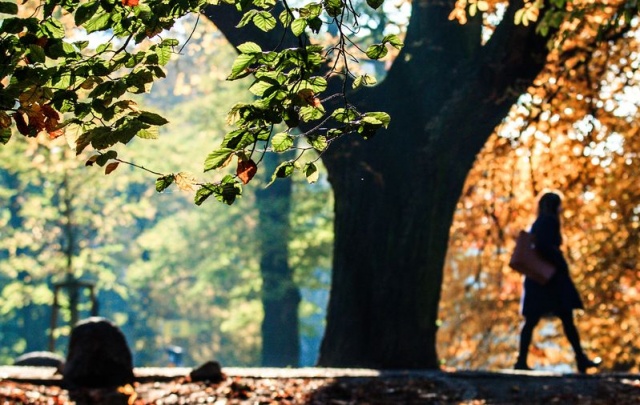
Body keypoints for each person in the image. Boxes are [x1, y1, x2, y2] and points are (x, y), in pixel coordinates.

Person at [514, 191, 600, 373]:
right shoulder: (549, 221)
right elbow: (545, 247)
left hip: (539, 279)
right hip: (549, 279)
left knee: (536, 320)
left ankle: (521, 360)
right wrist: (559, 263)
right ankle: (580, 359)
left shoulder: (538, 222)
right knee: (564, 318)